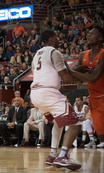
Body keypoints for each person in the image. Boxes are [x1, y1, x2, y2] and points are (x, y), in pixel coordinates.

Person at [30, 29, 81, 170]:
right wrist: (84, 78)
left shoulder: (36, 55)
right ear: (51, 39)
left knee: (58, 123)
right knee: (75, 124)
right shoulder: (54, 52)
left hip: (35, 95)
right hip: (48, 93)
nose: (59, 40)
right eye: (57, 37)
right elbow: (66, 77)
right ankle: (62, 156)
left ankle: (53, 154)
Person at [68, 25, 104, 148]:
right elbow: (78, 81)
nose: (88, 35)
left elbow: (94, 78)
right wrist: (76, 74)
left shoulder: (103, 55)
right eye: (88, 33)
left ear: (100, 38)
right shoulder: (83, 55)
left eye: (93, 33)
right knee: (100, 133)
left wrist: (72, 71)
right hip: (93, 97)